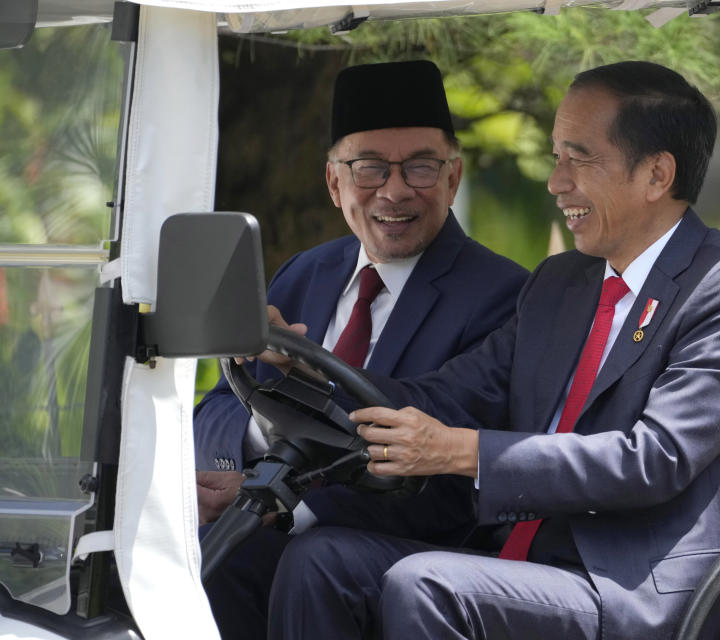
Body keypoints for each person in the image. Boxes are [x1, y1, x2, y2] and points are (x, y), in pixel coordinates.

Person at [268, 61, 720, 640]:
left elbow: (652, 459)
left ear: (657, 174)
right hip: (525, 565)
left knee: (426, 583)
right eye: (556, 158)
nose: (556, 182)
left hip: (639, 588)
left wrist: (465, 453)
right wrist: (306, 372)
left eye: (578, 159)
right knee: (319, 559)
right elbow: (454, 394)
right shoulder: (561, 283)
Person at [192, 59, 528, 639]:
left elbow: (460, 484)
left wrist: (287, 507)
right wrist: (260, 442)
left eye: (421, 168)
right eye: (369, 168)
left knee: (306, 556)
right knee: (211, 555)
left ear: (453, 177)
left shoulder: (503, 295)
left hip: (414, 553)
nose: (395, 191)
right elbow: (216, 410)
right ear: (334, 182)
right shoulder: (305, 273)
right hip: (284, 528)